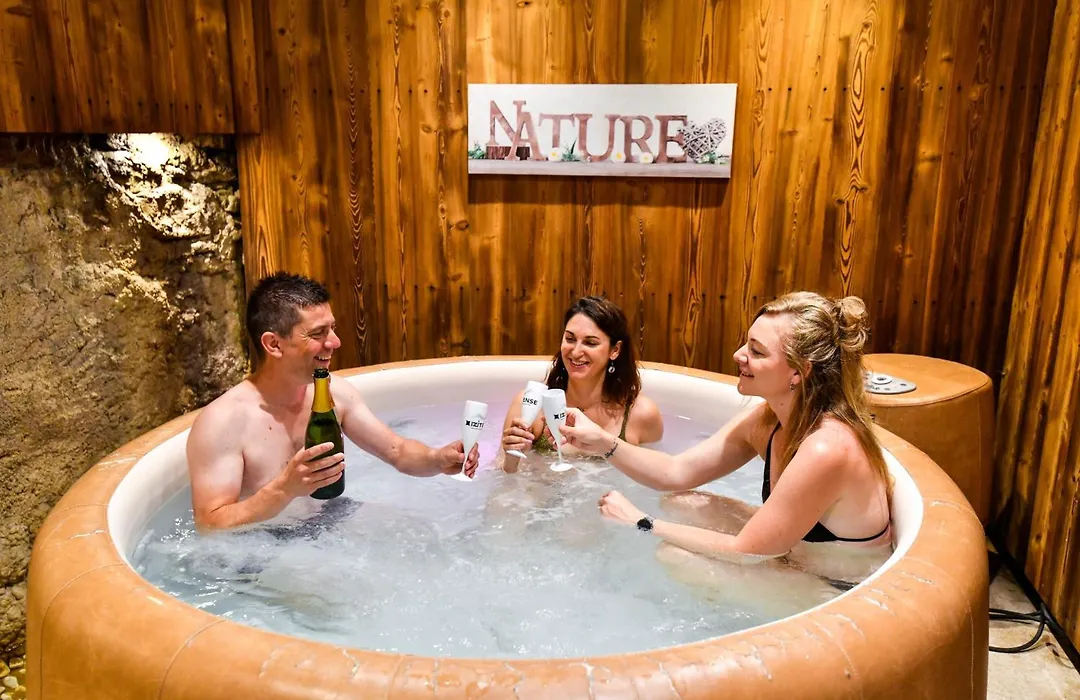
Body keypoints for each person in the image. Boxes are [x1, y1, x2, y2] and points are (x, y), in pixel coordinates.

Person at [559, 292, 892, 561]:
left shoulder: (826, 447)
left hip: (830, 584)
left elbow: (749, 551)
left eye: (756, 351)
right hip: (797, 555)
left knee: (676, 557)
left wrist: (640, 522)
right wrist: (603, 442)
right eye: (746, 343)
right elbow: (676, 471)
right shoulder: (767, 420)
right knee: (682, 502)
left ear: (799, 371)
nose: (738, 354)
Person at [186, 272, 479, 532]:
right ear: (274, 344)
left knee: (422, 535)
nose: (335, 342)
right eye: (318, 333)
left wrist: (437, 458)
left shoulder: (335, 393)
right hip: (261, 549)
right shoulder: (224, 422)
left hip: (329, 522)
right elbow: (210, 525)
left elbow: (397, 451)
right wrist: (283, 490)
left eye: (332, 329)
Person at [500, 296, 664, 472]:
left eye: (590, 343)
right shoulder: (533, 404)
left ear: (615, 350)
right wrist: (511, 457)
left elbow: (656, 476)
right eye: (570, 339)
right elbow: (504, 478)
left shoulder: (641, 414)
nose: (576, 352)